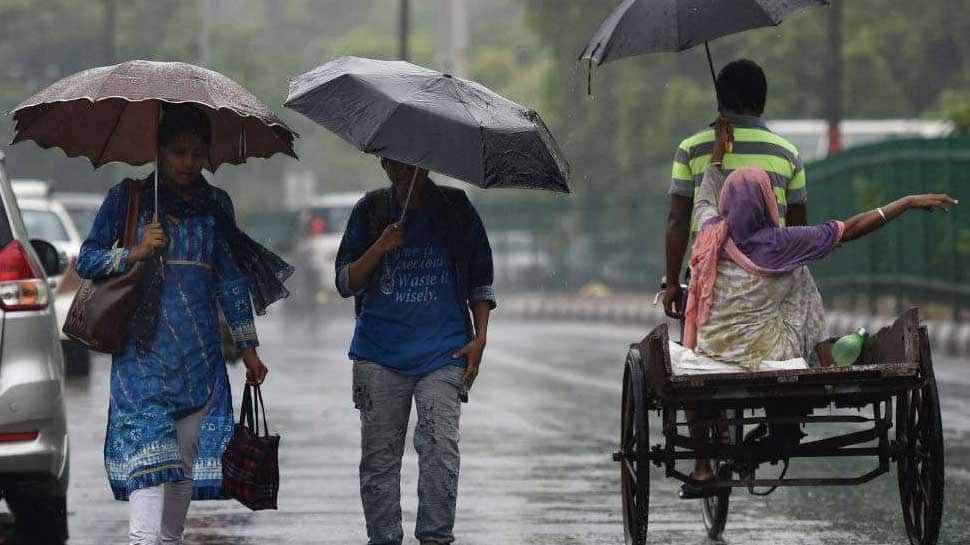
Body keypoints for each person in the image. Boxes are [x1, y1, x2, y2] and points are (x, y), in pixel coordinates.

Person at [76, 103, 291, 545]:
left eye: (197, 153)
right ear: (158, 150)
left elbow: (230, 282)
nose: (188, 163)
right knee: (150, 466)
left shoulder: (216, 206)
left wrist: (249, 350)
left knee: (183, 469)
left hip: (200, 364)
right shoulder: (128, 199)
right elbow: (88, 258)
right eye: (178, 152)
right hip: (142, 360)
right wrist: (134, 251)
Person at [678, 158, 956, 494]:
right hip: (770, 353)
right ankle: (826, 363)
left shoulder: (709, 232)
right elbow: (852, 228)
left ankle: (703, 467)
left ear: (727, 205)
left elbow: (704, 200)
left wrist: (717, 161)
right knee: (800, 273)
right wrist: (907, 202)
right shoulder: (783, 243)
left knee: (795, 273)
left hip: (714, 350)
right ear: (767, 201)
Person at [335, 157, 495, 545]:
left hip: (444, 353)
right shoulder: (370, 210)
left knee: (441, 450)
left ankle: (436, 538)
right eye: (396, 166)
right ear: (384, 163)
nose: (405, 173)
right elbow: (345, 282)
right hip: (378, 355)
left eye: (414, 166)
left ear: (428, 164)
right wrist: (380, 245)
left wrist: (481, 338)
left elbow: (480, 279)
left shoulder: (456, 209)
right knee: (380, 461)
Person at [664, 58, 808, 318]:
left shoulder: (691, 150)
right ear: (762, 101)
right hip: (771, 280)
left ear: (720, 99)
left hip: (708, 282)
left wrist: (672, 283)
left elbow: (678, 220)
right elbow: (798, 230)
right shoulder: (788, 154)